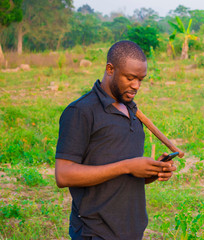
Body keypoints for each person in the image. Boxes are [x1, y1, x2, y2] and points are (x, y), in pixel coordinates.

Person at [55, 40, 176, 240]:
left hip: (131, 229)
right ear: (110, 69)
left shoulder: (132, 111)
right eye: (130, 78)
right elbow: (63, 175)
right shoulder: (81, 111)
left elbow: (125, 176)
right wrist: (127, 166)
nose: (136, 86)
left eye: (141, 79)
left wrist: (152, 172)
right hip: (95, 231)